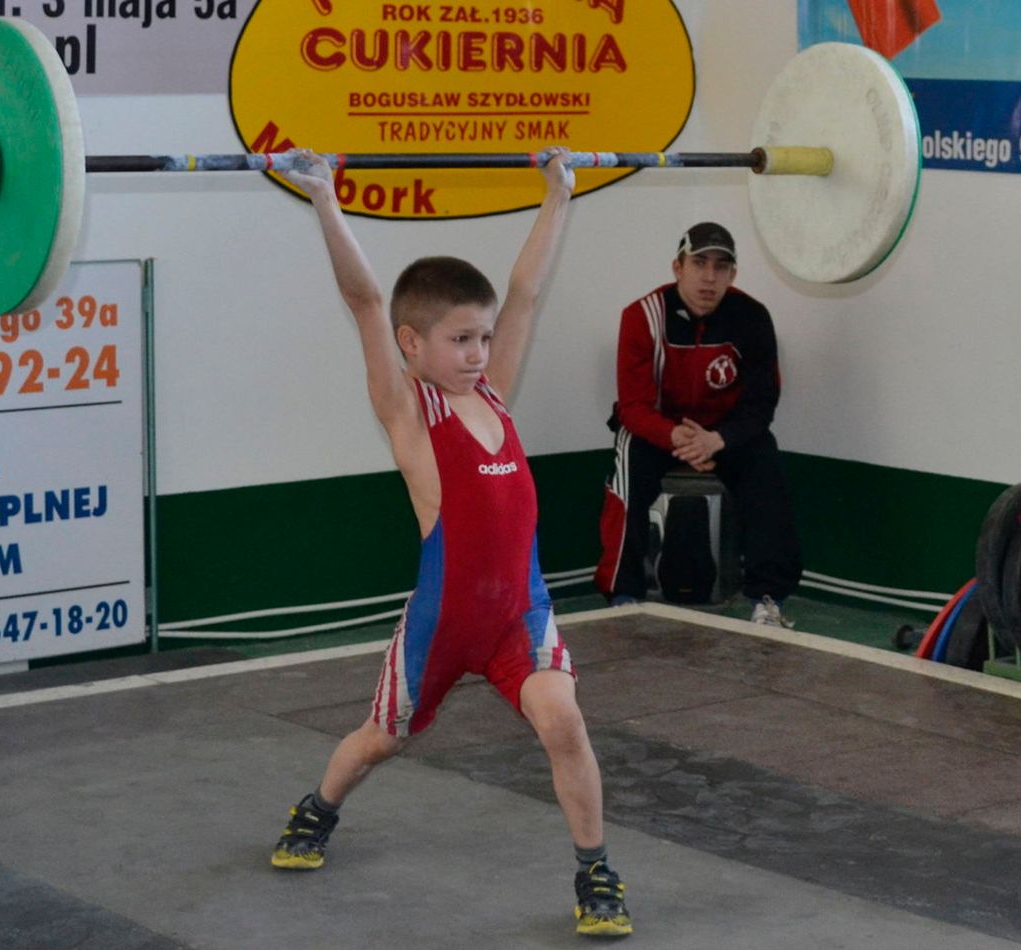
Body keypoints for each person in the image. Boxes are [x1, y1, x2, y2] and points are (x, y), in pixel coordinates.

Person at [269, 148, 632, 938]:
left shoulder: (492, 392)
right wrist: (325, 195)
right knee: (376, 744)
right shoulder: (411, 416)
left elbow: (528, 292)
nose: (477, 353)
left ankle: (595, 872)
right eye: (461, 340)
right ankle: (317, 810)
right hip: (441, 627)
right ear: (413, 344)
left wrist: (558, 194)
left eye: (482, 338)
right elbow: (364, 300)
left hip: (517, 620)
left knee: (564, 722)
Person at [594, 222, 803, 626]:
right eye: (699, 263)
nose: (709, 277)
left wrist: (717, 440)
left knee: (765, 462)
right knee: (627, 463)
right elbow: (632, 407)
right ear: (678, 267)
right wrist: (678, 437)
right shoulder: (642, 317)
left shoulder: (752, 317)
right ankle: (622, 594)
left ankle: (768, 598)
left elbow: (762, 405)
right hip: (658, 431)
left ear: (733, 274)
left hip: (724, 434)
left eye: (721, 267)